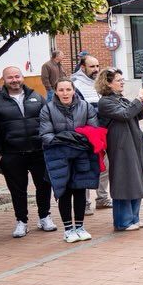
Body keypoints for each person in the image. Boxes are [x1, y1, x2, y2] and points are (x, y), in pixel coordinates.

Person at [0, 66, 56, 237]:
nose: (14, 80)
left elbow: (48, 120)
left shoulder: (36, 97)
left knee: (44, 186)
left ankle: (44, 217)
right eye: (10, 77)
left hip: (39, 151)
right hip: (11, 154)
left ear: (22, 77)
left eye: (17, 76)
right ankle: (21, 221)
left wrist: (48, 144)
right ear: (3, 80)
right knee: (17, 190)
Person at [39, 78, 101, 242]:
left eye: (68, 89)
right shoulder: (47, 109)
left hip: (82, 156)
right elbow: (46, 135)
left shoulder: (85, 106)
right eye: (61, 90)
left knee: (80, 190)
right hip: (59, 157)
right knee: (64, 192)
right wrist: (69, 140)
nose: (65, 93)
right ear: (56, 91)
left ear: (74, 90)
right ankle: (68, 229)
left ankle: (80, 226)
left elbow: (93, 130)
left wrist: (70, 139)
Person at [96, 68, 143, 231]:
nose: (122, 82)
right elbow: (125, 115)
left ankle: (134, 218)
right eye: (118, 80)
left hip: (133, 143)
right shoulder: (105, 102)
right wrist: (138, 98)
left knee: (136, 180)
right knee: (124, 181)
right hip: (120, 146)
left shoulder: (120, 98)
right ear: (108, 83)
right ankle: (123, 221)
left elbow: (136, 115)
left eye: (122, 79)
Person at [71, 55, 114, 212]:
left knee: (105, 167)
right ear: (83, 68)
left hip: (102, 132)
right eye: (92, 67)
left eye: (97, 66)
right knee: (85, 168)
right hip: (86, 134)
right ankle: (85, 204)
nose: (96, 69)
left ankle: (102, 198)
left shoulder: (101, 84)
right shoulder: (76, 85)